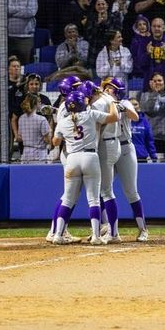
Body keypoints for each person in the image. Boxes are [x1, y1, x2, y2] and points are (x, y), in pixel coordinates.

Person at [50, 89, 119, 245]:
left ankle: (57, 235)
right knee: (93, 199)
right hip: (90, 157)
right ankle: (96, 236)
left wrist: (58, 126)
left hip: (72, 159)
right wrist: (112, 102)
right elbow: (114, 117)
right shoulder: (91, 114)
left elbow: (55, 142)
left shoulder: (63, 121)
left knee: (67, 199)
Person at [101, 78, 148, 242]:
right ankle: (105, 227)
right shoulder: (102, 105)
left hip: (125, 148)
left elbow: (135, 117)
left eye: (110, 89)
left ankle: (143, 230)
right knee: (103, 189)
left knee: (130, 191)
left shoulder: (125, 102)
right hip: (107, 147)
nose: (107, 91)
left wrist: (121, 107)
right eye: (106, 88)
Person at [17, 94, 52, 163]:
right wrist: (50, 131)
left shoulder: (21, 118)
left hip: (26, 153)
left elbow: (19, 137)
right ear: (35, 104)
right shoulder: (42, 119)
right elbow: (47, 140)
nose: (41, 104)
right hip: (39, 154)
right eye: (39, 102)